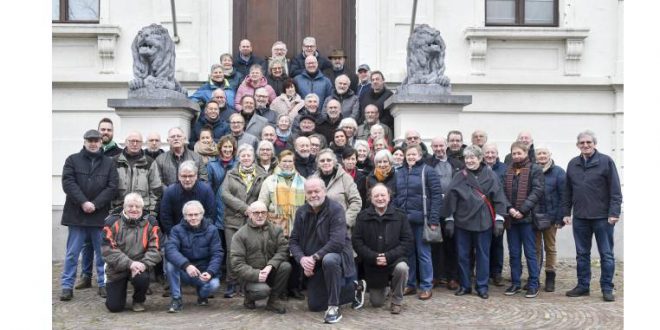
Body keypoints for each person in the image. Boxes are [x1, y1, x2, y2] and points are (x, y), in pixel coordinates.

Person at [288, 177, 365, 324]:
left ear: (324, 191)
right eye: (309, 192)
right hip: (314, 261)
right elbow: (293, 241)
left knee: (329, 259)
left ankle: (333, 307)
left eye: (317, 191)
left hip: (337, 256)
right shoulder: (301, 212)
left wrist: (314, 257)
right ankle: (355, 289)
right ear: (305, 194)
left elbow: (337, 242)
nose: (313, 195)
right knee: (315, 305)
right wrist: (303, 260)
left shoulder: (336, 209)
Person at [562, 130, 622, 302]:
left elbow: (615, 190)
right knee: (582, 254)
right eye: (582, 143)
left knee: (606, 254)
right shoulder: (573, 164)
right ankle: (583, 286)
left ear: (594, 144)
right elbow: (567, 191)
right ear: (577, 145)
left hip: (603, 218)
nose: (585, 145)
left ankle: (607, 287)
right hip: (580, 217)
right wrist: (566, 212)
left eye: (589, 142)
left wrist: (614, 212)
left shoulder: (606, 162)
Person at [442, 145, 507, 299]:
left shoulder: (491, 176)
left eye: (473, 157)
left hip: (483, 221)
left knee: (483, 255)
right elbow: (451, 198)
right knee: (463, 255)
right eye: (467, 158)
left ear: (480, 158)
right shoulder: (459, 176)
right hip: (462, 221)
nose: (469, 160)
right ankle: (465, 285)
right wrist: (449, 219)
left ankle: (482, 286)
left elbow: (498, 197)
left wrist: (499, 219)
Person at [59, 129, 118, 301]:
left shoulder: (109, 163)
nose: (93, 143)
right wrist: (84, 202)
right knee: (72, 254)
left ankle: (103, 284)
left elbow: (112, 186)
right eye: (89, 140)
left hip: (99, 216)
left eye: (96, 140)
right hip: (76, 215)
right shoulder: (72, 160)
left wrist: (95, 204)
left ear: (101, 142)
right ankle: (66, 286)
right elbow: (68, 183)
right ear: (84, 141)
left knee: (102, 254)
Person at [353, 184, 413, 314]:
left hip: (394, 260)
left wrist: (388, 256)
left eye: (383, 195)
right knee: (377, 303)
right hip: (372, 263)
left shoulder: (400, 216)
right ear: (370, 198)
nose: (380, 198)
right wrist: (374, 257)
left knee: (402, 268)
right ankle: (385, 289)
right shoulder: (362, 217)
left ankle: (397, 300)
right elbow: (357, 242)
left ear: (389, 197)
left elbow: (407, 241)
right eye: (376, 196)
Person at [393, 144, 441, 300]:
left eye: (414, 154)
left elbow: (436, 197)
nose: (411, 157)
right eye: (409, 154)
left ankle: (427, 286)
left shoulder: (428, 171)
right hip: (404, 221)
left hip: (422, 220)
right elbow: (395, 195)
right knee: (408, 254)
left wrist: (433, 219)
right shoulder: (399, 172)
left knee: (424, 254)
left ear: (420, 155)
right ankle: (411, 284)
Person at [258, 150, 307, 300]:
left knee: (296, 257)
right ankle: (282, 289)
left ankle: (294, 288)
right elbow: (262, 204)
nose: (287, 164)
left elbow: (308, 205)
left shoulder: (303, 181)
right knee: (281, 257)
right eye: (284, 161)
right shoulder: (270, 181)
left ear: (294, 163)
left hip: (297, 225)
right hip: (277, 226)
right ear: (279, 162)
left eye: (290, 161)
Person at [221, 144, 268, 298]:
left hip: (253, 221)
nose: (246, 158)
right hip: (233, 220)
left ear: (253, 157)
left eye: (249, 155)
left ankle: (245, 284)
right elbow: (225, 195)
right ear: (239, 157)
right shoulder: (231, 174)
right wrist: (244, 208)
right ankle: (231, 282)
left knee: (250, 253)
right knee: (232, 252)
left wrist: (253, 210)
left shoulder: (262, 174)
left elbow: (264, 195)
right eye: (243, 155)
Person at [102, 193, 162, 313]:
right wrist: (130, 264)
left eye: (137, 206)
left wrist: (144, 264)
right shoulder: (111, 222)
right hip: (117, 268)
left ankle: (138, 300)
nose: (134, 209)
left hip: (140, 266)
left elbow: (156, 249)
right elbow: (108, 250)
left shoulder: (151, 222)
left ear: (142, 208)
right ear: (124, 206)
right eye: (130, 206)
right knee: (114, 307)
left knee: (143, 278)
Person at [231, 201, 291, 314]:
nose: (260, 215)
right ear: (249, 214)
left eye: (263, 212)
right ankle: (248, 297)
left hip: (270, 272)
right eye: (256, 213)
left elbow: (283, 249)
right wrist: (256, 274)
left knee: (285, 266)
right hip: (251, 277)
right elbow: (237, 264)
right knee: (262, 291)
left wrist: (270, 265)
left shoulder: (276, 230)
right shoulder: (240, 235)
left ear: (267, 213)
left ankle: (273, 302)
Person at [502, 141, 544, 298]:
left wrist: (522, 210)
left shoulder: (535, 169)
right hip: (512, 219)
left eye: (519, 153)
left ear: (526, 153)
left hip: (528, 219)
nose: (516, 156)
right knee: (514, 253)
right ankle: (515, 283)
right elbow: (502, 192)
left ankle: (533, 283)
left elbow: (537, 191)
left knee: (530, 253)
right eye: (514, 153)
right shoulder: (508, 170)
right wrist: (510, 209)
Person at [165, 201, 223, 312]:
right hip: (185, 270)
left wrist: (210, 272)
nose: (193, 217)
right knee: (170, 265)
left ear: (202, 215)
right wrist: (186, 265)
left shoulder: (212, 230)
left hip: (204, 271)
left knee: (214, 284)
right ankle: (176, 299)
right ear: (185, 216)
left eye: (196, 214)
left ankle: (202, 295)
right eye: (189, 215)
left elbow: (217, 253)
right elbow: (170, 250)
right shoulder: (176, 230)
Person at [427, 136, 463, 290]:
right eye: (435, 146)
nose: (439, 149)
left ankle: (453, 277)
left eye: (441, 145)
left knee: (452, 245)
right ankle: (435, 276)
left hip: (453, 210)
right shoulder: (428, 164)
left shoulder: (456, 164)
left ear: (446, 145)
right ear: (432, 147)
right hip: (434, 209)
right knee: (435, 245)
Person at [534, 146, 566, 292]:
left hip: (551, 217)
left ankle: (550, 277)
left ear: (549, 155)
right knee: (535, 249)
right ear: (535, 156)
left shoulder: (558, 172)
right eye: (539, 154)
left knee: (550, 248)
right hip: (534, 217)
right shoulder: (532, 170)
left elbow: (563, 196)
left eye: (544, 153)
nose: (542, 156)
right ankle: (534, 278)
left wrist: (560, 217)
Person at [159, 161, 216, 239]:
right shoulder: (170, 192)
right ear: (179, 176)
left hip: (202, 235)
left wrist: (201, 234)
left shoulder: (206, 190)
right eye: (184, 176)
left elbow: (210, 215)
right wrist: (175, 235)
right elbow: (165, 217)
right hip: (177, 236)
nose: (187, 179)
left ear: (196, 176)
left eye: (191, 176)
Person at [111, 131, 162, 215]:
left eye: (138, 141)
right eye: (132, 141)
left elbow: (156, 191)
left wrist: (152, 212)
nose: (135, 144)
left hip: (142, 211)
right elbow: (110, 188)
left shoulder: (149, 162)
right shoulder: (115, 161)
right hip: (118, 211)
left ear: (142, 143)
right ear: (126, 142)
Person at [312, 149, 363, 232]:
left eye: (329, 160)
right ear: (318, 164)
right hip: (318, 229)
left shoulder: (345, 178)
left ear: (334, 162)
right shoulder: (312, 180)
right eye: (322, 161)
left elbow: (356, 201)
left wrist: (345, 221)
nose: (326, 162)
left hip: (340, 229)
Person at [481, 142, 506, 286]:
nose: (490, 155)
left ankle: (496, 272)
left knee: (497, 243)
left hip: (498, 211)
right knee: (482, 244)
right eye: (487, 153)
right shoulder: (479, 168)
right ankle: (482, 272)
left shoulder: (504, 168)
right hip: (481, 212)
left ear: (497, 154)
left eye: (492, 153)